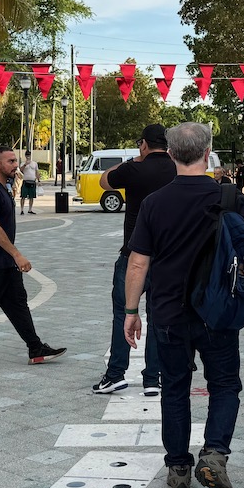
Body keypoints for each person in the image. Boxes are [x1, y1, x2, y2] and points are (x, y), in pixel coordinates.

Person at [124, 122, 244, 488]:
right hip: (218, 311)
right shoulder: (230, 196)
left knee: (174, 388)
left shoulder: (155, 202)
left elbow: (138, 263)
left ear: (170, 154)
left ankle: (179, 469)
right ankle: (214, 454)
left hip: (168, 312)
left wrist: (131, 311)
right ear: (208, 153)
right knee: (224, 385)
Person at [0, 146, 65, 369]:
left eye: (15, 161)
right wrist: (17, 255)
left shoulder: (3, 188)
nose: (15, 165)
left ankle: (35, 348)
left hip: (4, 262)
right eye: (10, 161)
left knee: (18, 304)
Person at [93, 124, 176, 395]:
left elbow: (104, 180)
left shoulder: (134, 169)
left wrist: (134, 161)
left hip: (133, 254)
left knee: (123, 312)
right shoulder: (177, 169)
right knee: (158, 316)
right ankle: (153, 377)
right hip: (167, 257)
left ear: (144, 144)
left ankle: (116, 373)